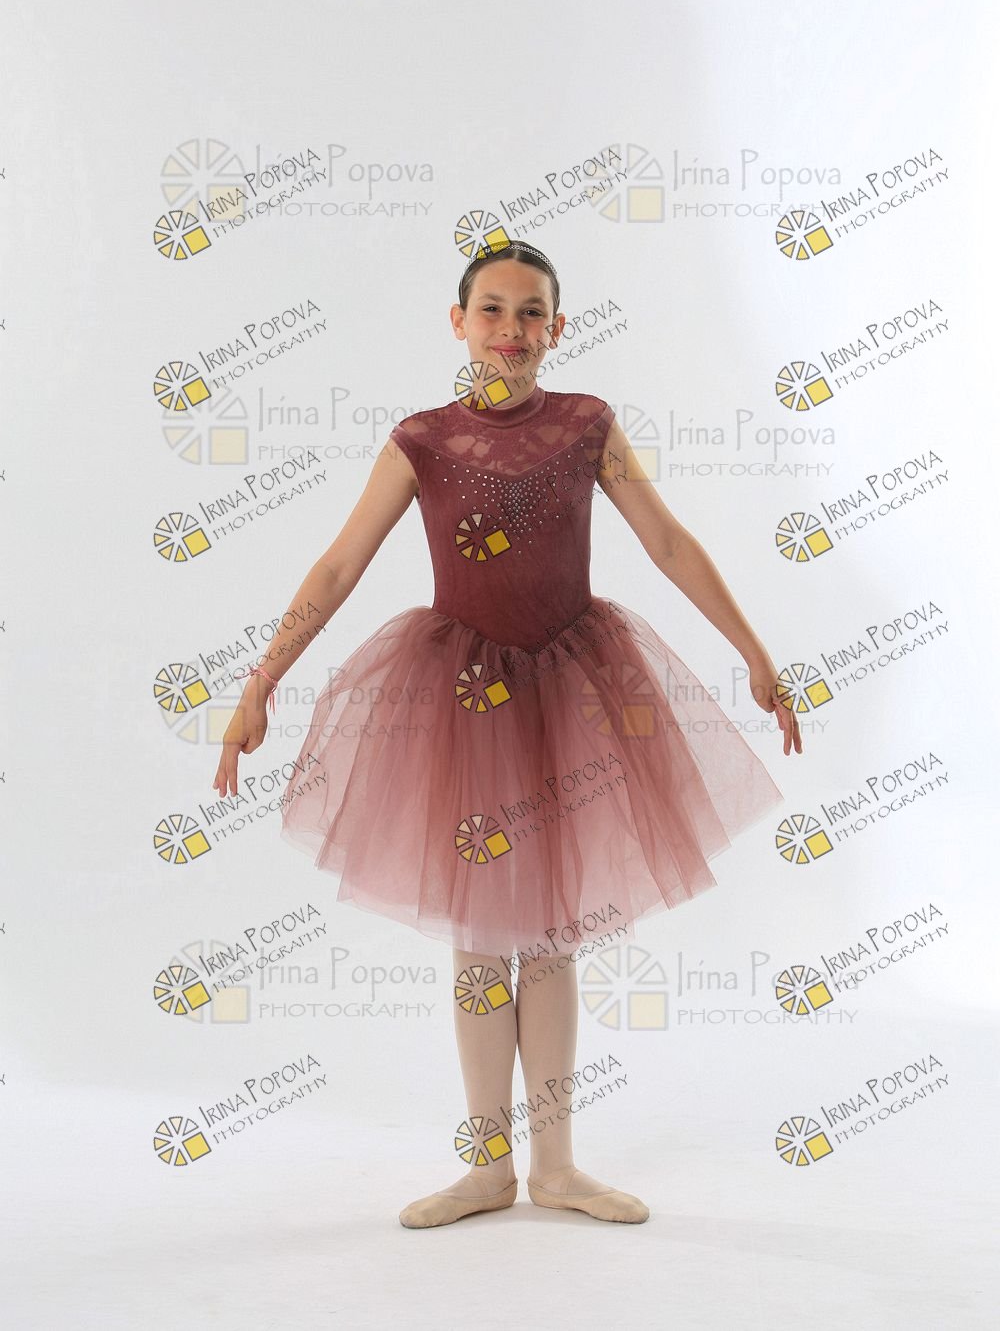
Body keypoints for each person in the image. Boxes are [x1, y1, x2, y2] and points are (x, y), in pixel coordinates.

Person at [213, 240, 803, 1229]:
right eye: (491, 309)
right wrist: (260, 681)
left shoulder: (585, 426)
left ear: (557, 329)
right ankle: (488, 1164)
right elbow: (339, 565)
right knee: (481, 944)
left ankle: (557, 1166)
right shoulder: (422, 440)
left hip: (573, 691)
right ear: (458, 323)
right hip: (465, 702)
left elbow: (666, 540)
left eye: (531, 312)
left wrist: (753, 650)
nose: (511, 330)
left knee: (554, 937)